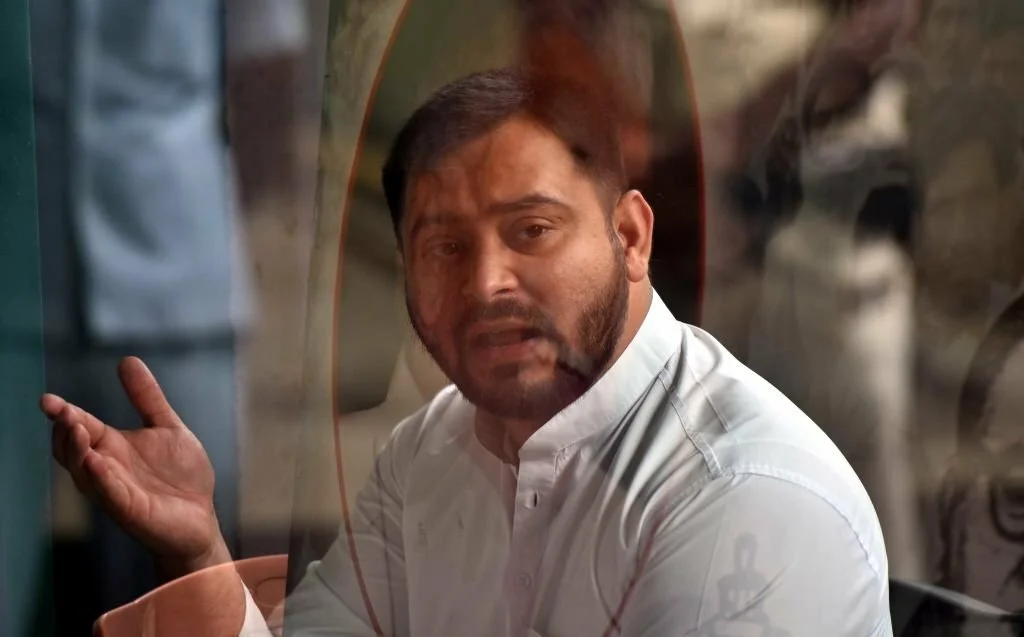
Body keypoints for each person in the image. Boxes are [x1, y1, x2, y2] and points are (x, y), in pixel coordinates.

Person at [40, 69, 892, 636]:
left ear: (631, 236)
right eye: (444, 246)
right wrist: (199, 553)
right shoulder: (430, 450)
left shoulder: (743, 498)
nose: (486, 283)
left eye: (532, 230)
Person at [28, 0, 306, 633]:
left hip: (178, 272)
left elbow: (266, 63)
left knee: (178, 573)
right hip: (21, 269)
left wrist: (247, 234)